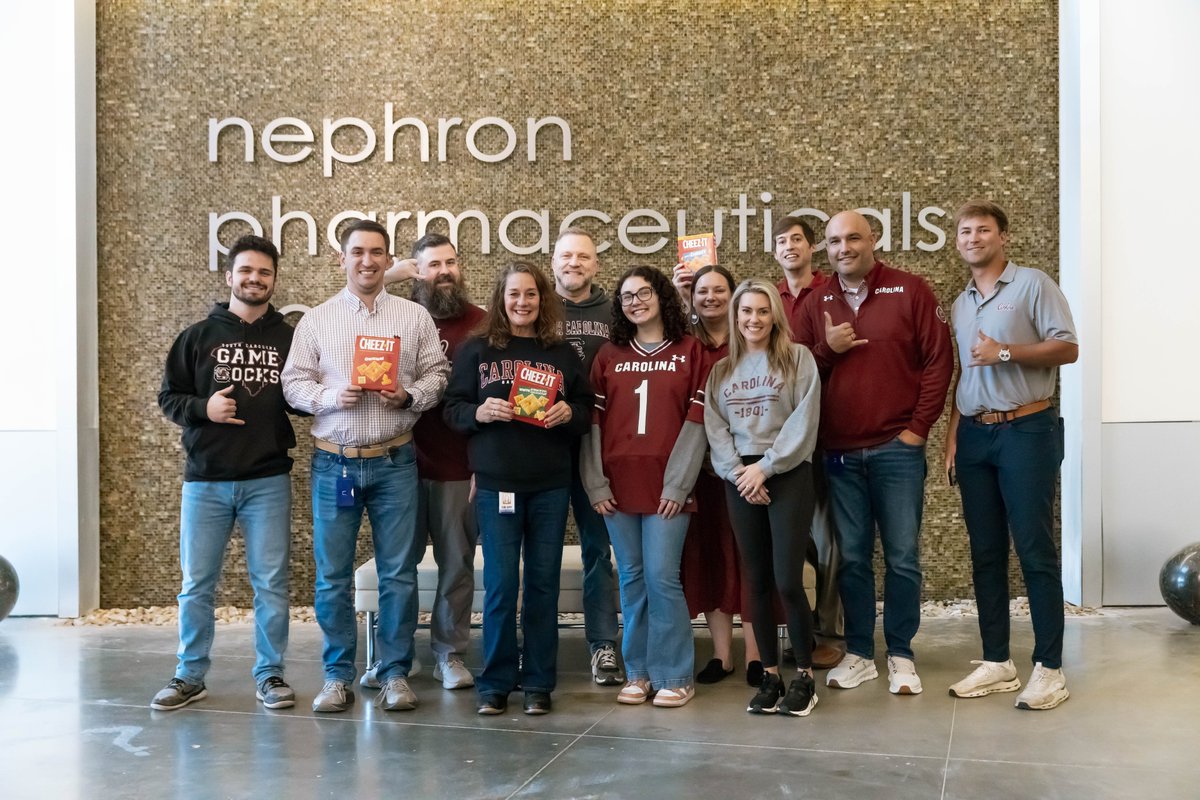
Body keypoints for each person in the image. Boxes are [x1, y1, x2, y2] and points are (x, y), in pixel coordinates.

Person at [282, 219, 450, 713]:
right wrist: (331, 396)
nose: (368, 261)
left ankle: (395, 673)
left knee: (399, 573)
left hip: (396, 461)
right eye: (357, 252)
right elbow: (293, 384)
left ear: (388, 258)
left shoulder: (414, 317)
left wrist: (410, 396)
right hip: (336, 465)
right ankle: (337, 677)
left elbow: (437, 374)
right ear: (342, 258)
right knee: (332, 575)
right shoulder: (317, 320)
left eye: (377, 252)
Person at [793, 210, 953, 696]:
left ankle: (901, 654)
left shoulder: (910, 290)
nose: (844, 248)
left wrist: (917, 430)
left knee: (903, 557)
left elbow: (938, 361)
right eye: (835, 241)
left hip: (896, 451)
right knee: (855, 558)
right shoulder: (814, 302)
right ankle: (861, 652)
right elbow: (794, 375)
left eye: (854, 238)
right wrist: (827, 350)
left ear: (874, 239)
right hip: (839, 455)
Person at [943, 200, 1079, 711]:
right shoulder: (960, 304)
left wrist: (1005, 351)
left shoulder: (1033, 285)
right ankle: (997, 661)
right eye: (964, 231)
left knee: (1035, 550)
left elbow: (1068, 348)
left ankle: (1050, 668)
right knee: (985, 553)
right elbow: (964, 373)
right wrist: (954, 434)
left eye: (983, 230)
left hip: (1027, 428)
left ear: (1002, 237)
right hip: (977, 436)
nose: (972, 238)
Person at [154, 235, 298, 711]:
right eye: (246, 271)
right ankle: (189, 675)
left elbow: (306, 393)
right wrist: (204, 407)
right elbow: (169, 398)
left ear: (274, 280)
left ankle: (270, 675)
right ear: (230, 275)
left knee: (271, 583)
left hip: (267, 479)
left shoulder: (290, 337)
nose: (254, 279)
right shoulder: (197, 337)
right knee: (197, 583)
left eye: (264, 272)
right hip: (205, 481)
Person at [443, 262, 592, 716]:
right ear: (500, 299)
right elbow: (451, 409)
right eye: (514, 295)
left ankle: (538, 683)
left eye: (530, 294)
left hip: (549, 484)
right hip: (497, 485)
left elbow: (586, 409)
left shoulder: (563, 353)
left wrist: (570, 413)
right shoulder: (477, 350)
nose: (522, 302)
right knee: (504, 585)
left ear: (542, 299)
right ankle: (495, 683)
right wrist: (479, 413)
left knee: (543, 585)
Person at [583, 266, 707, 708]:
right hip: (616, 487)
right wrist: (595, 483)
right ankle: (637, 672)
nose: (635, 301)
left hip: (668, 489)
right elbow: (591, 424)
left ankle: (674, 674)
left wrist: (678, 484)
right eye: (626, 296)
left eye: (644, 293)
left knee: (661, 578)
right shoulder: (608, 355)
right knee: (632, 579)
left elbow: (698, 423)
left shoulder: (691, 351)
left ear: (663, 297)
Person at [706, 279, 822, 715]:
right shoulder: (721, 370)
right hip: (740, 478)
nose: (753, 319)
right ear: (736, 318)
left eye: (761, 311)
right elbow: (716, 430)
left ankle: (805, 678)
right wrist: (739, 473)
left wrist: (765, 468)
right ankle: (770, 675)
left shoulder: (797, 359)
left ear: (775, 315)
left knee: (787, 579)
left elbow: (803, 421)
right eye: (745, 312)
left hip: (787, 472)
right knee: (755, 579)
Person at [670, 264, 765, 686]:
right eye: (702, 290)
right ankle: (722, 655)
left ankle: (757, 655)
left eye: (719, 290)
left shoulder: (750, 340)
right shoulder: (686, 346)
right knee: (710, 560)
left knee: (751, 559)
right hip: (701, 472)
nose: (709, 297)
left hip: (748, 470)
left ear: (734, 295)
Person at [408, 233, 486, 691]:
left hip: (461, 466)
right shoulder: (400, 317)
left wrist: (484, 465)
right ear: (417, 272)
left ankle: (449, 654)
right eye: (433, 264)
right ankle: (395, 657)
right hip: (401, 464)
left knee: (457, 564)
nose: (444, 271)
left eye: (451, 262)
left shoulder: (483, 324)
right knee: (400, 565)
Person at [551, 227, 624, 686]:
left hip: (598, 448)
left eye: (583, 257)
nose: (574, 263)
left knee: (598, 550)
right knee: (537, 552)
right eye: (566, 256)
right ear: (553, 261)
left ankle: (603, 646)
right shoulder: (536, 304)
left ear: (596, 265)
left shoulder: (615, 312)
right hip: (545, 450)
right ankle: (533, 646)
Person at [770, 216, 843, 670]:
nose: (789, 247)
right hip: (779, 442)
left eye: (797, 239)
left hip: (826, 436)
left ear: (812, 247)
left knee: (830, 541)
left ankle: (828, 633)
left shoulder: (831, 294)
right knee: (793, 544)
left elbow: (808, 368)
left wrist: (826, 351)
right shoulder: (768, 300)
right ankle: (795, 630)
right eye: (781, 241)